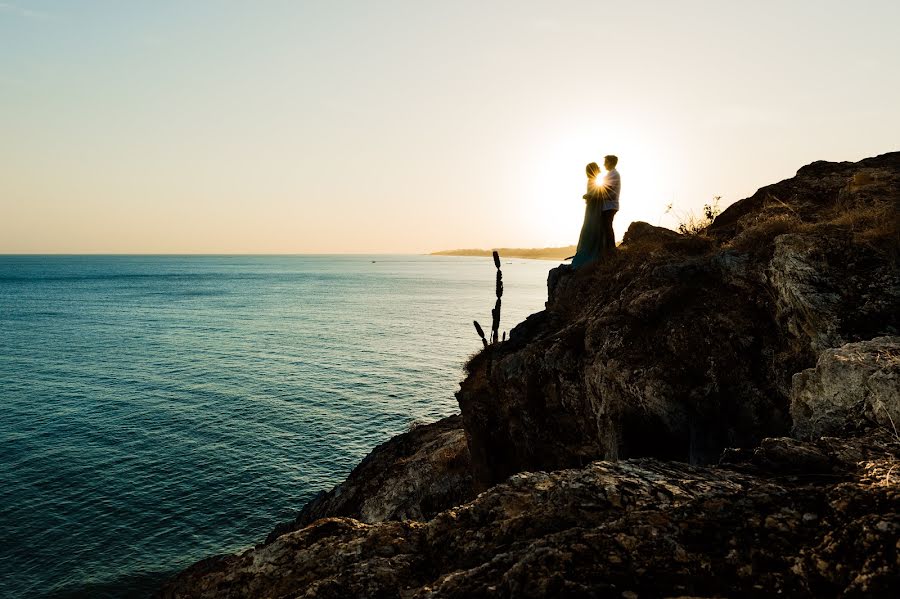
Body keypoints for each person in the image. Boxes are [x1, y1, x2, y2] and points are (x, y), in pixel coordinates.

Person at [570, 162, 606, 268]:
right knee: (588, 230)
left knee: (589, 230)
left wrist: (588, 196)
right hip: (591, 209)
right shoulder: (592, 181)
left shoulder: (595, 181)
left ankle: (588, 256)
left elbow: (598, 195)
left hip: (593, 210)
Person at [598, 155, 620, 254]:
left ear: (611, 162)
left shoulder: (613, 174)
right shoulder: (611, 174)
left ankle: (611, 248)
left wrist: (595, 196)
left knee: (607, 227)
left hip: (610, 205)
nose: (604, 164)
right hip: (608, 205)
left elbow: (606, 189)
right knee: (606, 226)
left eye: (605, 162)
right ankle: (608, 248)